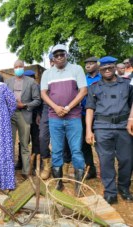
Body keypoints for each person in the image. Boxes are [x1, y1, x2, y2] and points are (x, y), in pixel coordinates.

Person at [86, 56, 133, 205]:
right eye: (104, 69)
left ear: (114, 68)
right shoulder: (94, 87)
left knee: (127, 159)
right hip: (102, 127)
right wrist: (88, 130)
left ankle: (124, 188)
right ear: (100, 70)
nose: (107, 70)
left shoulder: (127, 85)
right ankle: (110, 191)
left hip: (123, 127)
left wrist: (131, 121)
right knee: (106, 161)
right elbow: (89, 109)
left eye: (110, 68)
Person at [40, 44, 87, 194]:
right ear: (52, 57)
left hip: (73, 116)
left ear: (66, 55)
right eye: (56, 55)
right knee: (57, 151)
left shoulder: (77, 69)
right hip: (54, 117)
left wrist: (67, 107)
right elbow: (43, 93)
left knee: (76, 151)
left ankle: (78, 186)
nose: (59, 57)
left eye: (62, 54)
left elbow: (83, 91)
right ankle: (59, 184)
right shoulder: (47, 73)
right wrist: (56, 107)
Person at [38, 53, 72, 181]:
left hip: (66, 108)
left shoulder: (68, 73)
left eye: (57, 59)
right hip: (48, 109)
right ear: (51, 62)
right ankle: (47, 166)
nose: (54, 62)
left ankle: (65, 168)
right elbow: (43, 93)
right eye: (52, 60)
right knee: (42, 137)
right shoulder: (46, 74)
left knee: (65, 138)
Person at [6, 60, 41, 177]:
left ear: (24, 67)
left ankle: (26, 171)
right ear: (13, 68)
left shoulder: (31, 82)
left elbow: (37, 100)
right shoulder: (8, 82)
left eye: (20, 66)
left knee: (24, 144)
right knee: (9, 143)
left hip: (24, 114)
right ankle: (9, 170)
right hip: (10, 115)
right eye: (16, 67)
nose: (18, 68)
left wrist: (25, 105)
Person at [81, 57, 101, 179]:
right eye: (86, 64)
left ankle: (104, 170)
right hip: (84, 114)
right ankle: (90, 169)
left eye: (91, 63)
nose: (88, 65)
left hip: (99, 116)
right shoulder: (83, 79)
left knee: (101, 143)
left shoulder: (103, 77)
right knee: (85, 143)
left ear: (97, 65)